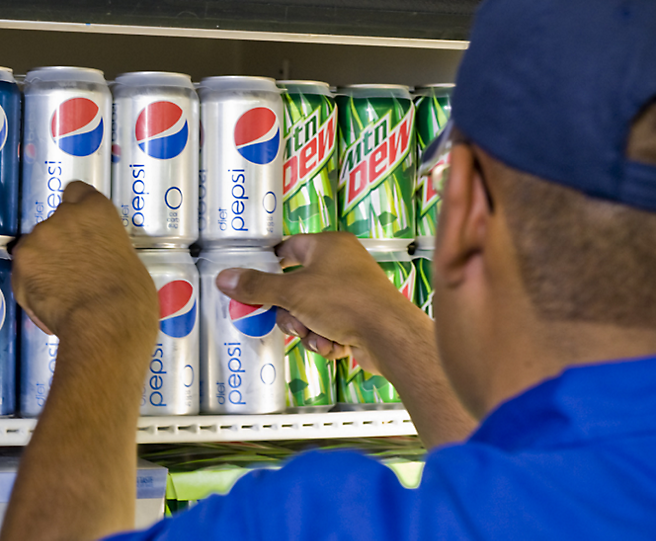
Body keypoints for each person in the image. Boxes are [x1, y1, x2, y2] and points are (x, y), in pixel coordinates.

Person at [3, 0, 656, 538]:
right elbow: (528, 482)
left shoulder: (320, 522)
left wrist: (105, 322)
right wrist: (389, 326)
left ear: (464, 214)